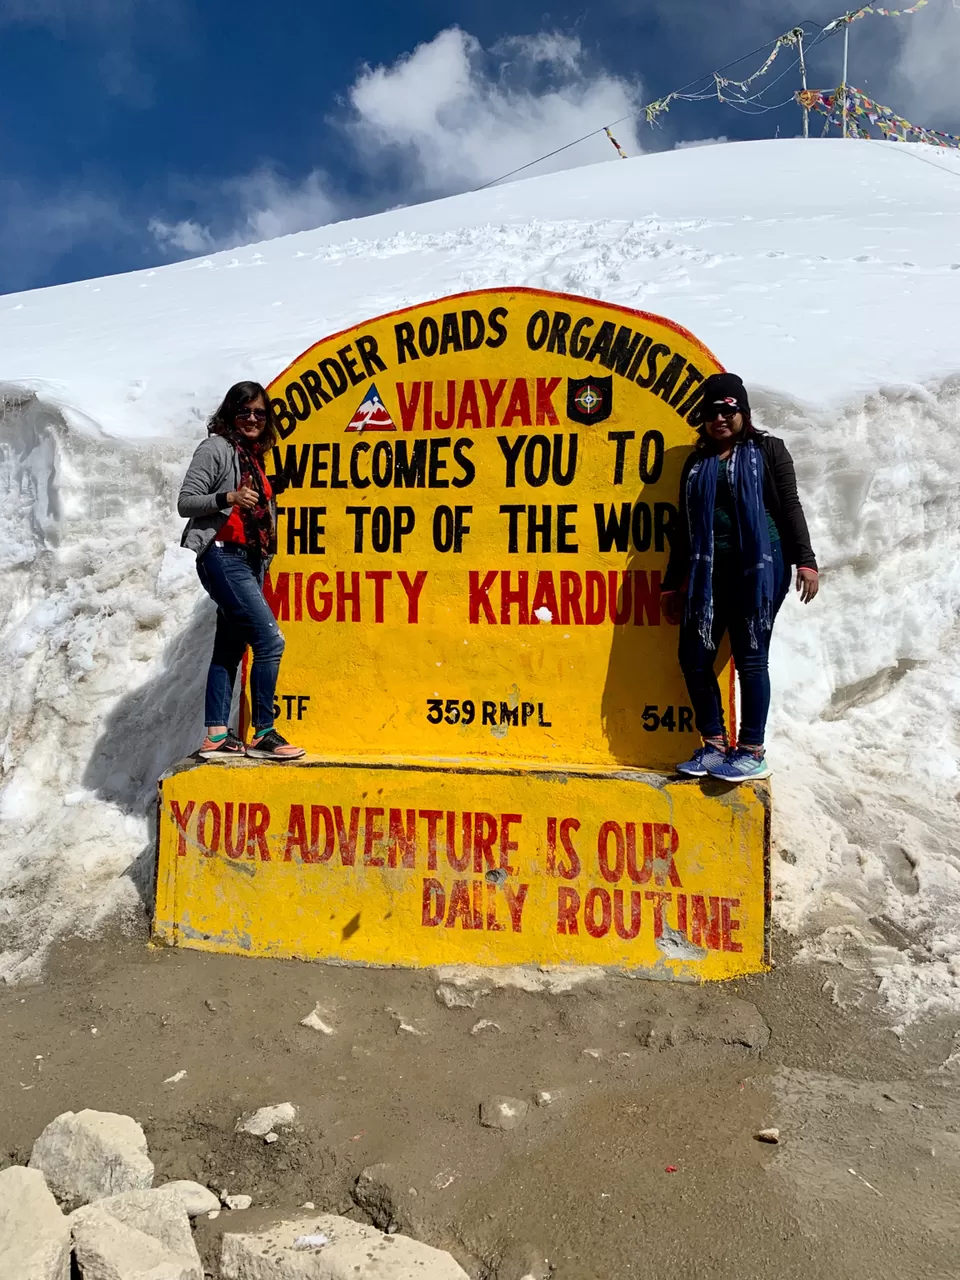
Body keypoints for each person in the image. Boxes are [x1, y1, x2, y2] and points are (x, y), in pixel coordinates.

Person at [661, 372, 818, 782]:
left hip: (758, 572)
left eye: (729, 412)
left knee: (751, 660)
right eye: (712, 413)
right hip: (706, 577)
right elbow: (684, 528)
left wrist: (806, 561)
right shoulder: (696, 464)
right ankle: (714, 746)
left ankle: (751, 750)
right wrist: (671, 582)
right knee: (694, 659)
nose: (721, 420)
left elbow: (790, 506)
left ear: (744, 415)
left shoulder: (768, 451)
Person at [178, 381, 305, 762]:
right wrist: (227, 497)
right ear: (230, 414)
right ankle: (264, 732)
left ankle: (216, 735)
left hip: (249, 560)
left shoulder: (251, 457)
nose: (252, 419)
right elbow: (186, 502)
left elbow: (256, 502)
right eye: (244, 411)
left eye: (260, 413)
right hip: (222, 554)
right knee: (270, 641)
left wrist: (273, 488)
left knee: (229, 648)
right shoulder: (216, 448)